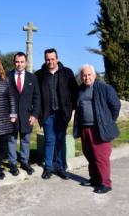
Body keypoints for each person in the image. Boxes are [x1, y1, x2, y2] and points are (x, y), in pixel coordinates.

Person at [73, 64, 120, 194]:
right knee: (89, 154)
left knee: (101, 157)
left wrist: (108, 121)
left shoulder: (104, 88)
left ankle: (105, 183)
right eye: (84, 75)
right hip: (85, 128)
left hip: (99, 129)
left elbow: (115, 105)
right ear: (81, 76)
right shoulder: (80, 90)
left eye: (89, 74)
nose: (86, 77)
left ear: (94, 75)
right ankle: (94, 179)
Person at [35, 48, 78, 180]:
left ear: (57, 59)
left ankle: (61, 167)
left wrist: (71, 108)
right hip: (47, 114)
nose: (50, 61)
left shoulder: (67, 73)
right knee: (49, 140)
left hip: (62, 113)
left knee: (61, 141)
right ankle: (48, 168)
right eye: (47, 59)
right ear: (45, 60)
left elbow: (74, 91)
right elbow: (36, 95)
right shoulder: (39, 75)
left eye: (52, 59)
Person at [7, 52, 41, 176]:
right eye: (17, 62)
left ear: (25, 63)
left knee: (25, 140)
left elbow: (37, 97)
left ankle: (25, 162)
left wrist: (35, 114)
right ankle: (12, 164)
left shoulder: (33, 78)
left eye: (22, 62)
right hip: (11, 116)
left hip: (27, 116)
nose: (19, 64)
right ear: (14, 62)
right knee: (11, 140)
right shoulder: (7, 76)